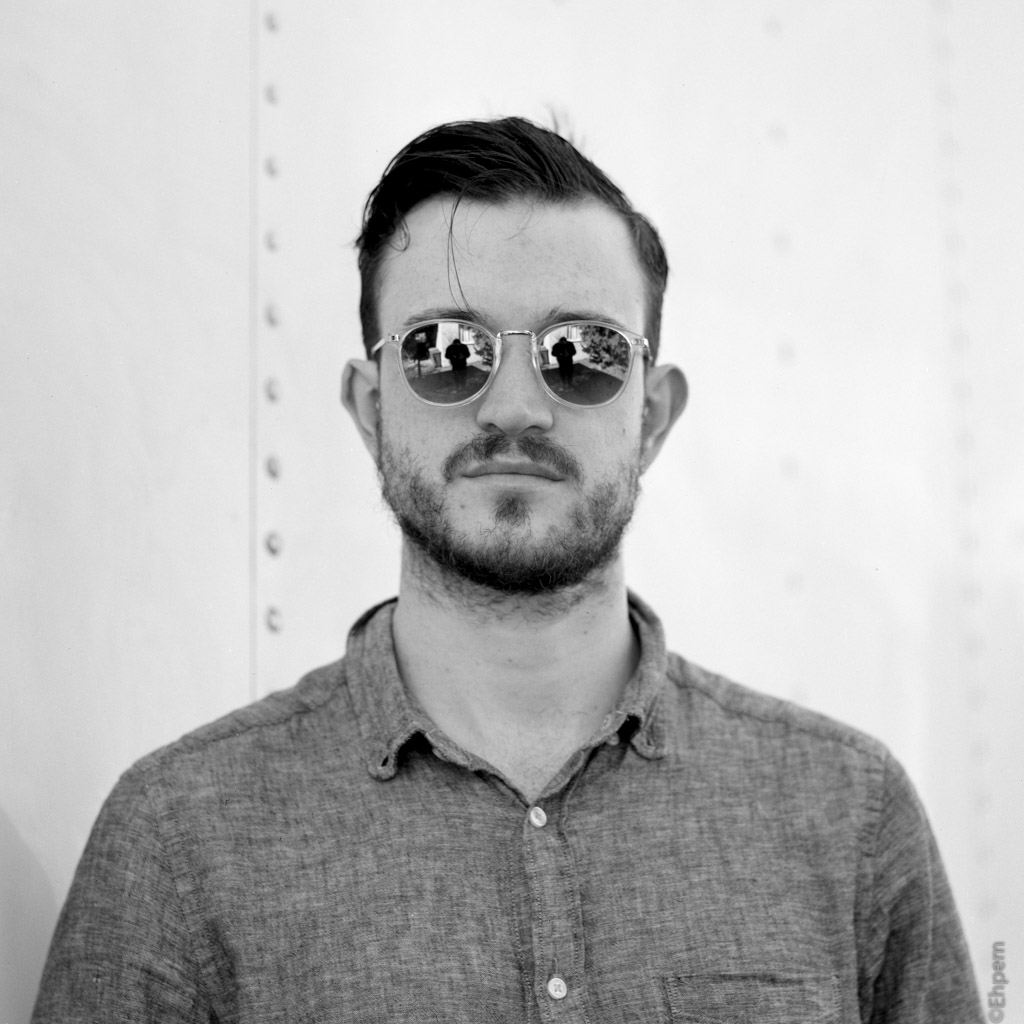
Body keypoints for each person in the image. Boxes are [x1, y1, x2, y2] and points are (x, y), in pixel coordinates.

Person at [33, 117, 982, 1023]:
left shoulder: (851, 814)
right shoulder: (180, 836)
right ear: (371, 408)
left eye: (583, 353)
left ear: (651, 416)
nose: (515, 406)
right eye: (446, 351)